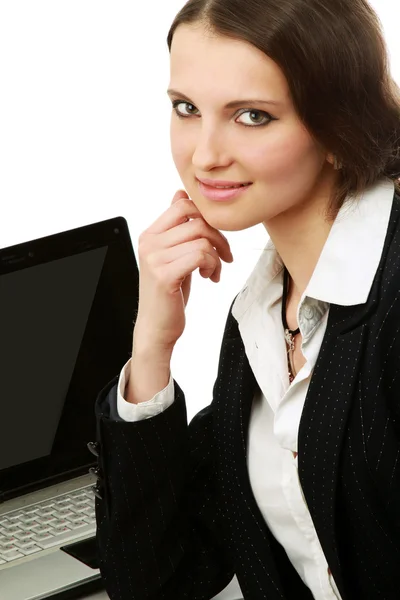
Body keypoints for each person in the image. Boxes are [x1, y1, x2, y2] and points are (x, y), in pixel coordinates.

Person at [90, 0, 400, 598]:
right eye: (186, 109)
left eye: (252, 116)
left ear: (338, 126)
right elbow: (157, 580)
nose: (205, 154)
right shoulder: (262, 316)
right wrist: (151, 346)